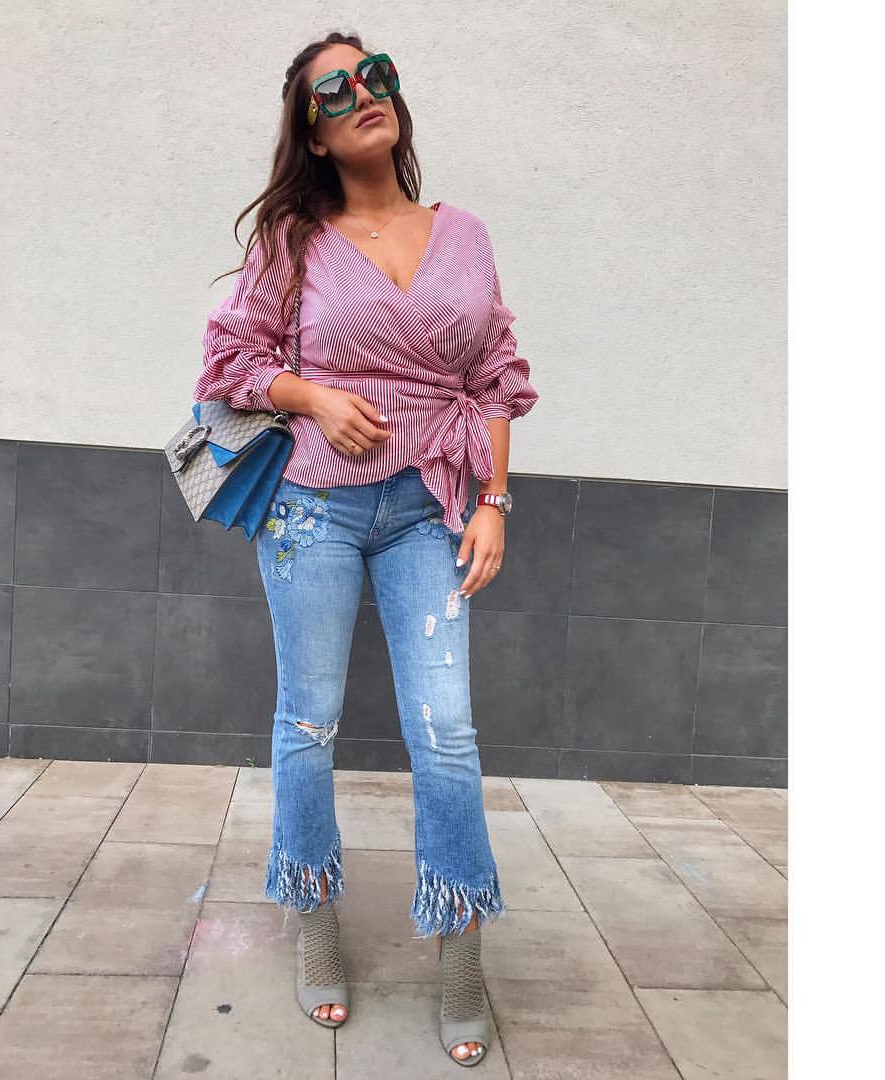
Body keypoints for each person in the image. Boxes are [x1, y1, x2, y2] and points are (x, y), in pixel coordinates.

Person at [194, 32, 539, 1068]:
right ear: (312, 130)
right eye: (335, 90)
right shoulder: (294, 239)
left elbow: (495, 375)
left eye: (375, 74)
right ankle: (316, 918)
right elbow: (231, 359)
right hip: (313, 508)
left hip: (431, 506)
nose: (363, 94)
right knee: (309, 720)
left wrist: (493, 501)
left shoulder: (463, 234)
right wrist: (310, 395)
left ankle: (460, 950)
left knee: (448, 730)